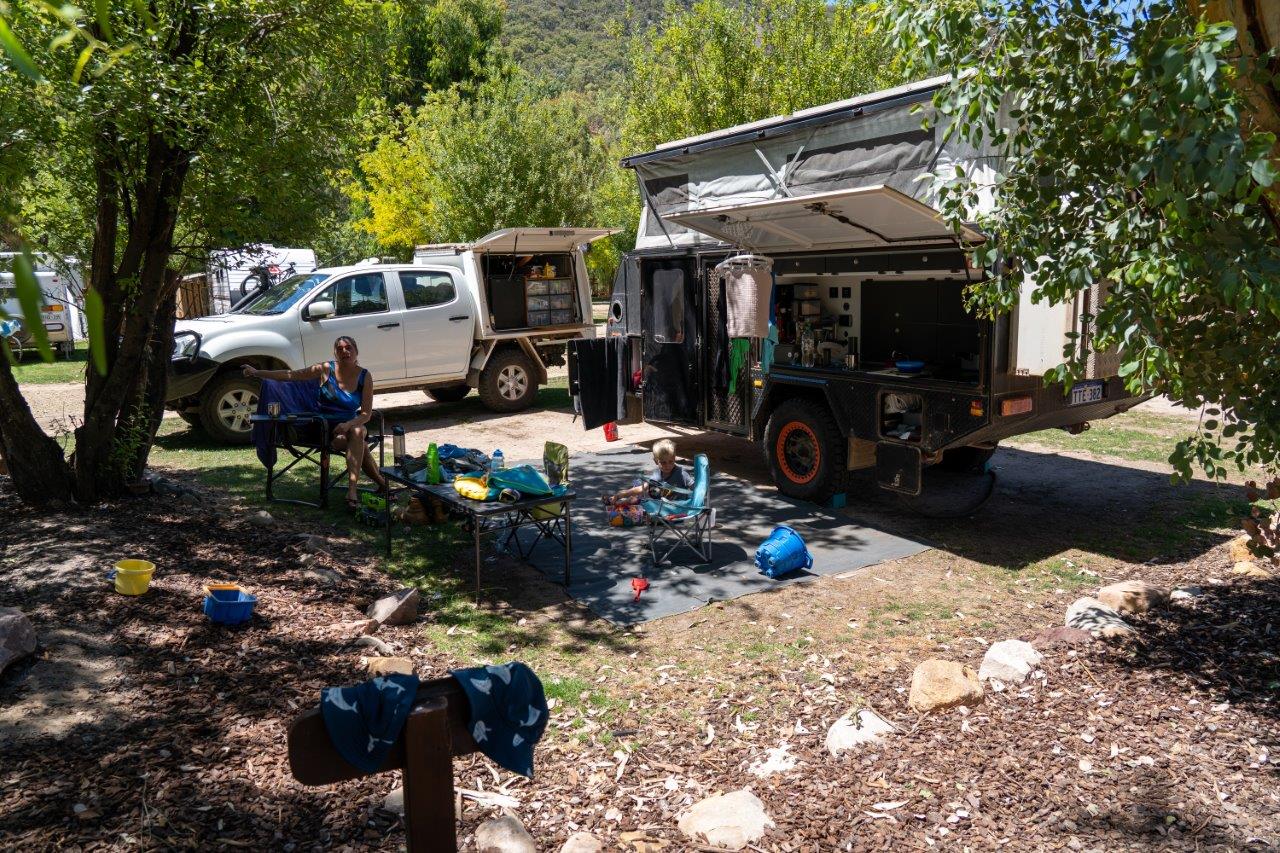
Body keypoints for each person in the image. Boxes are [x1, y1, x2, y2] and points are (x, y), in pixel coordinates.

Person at [243, 336, 388, 508]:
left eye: (348, 347)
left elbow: (365, 414)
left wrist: (348, 424)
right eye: (340, 349)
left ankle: (352, 489)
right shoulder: (326, 369)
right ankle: (382, 483)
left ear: (356, 351)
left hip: (351, 425)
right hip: (322, 427)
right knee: (359, 444)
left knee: (356, 432)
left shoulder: (365, 376)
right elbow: (291, 375)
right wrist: (257, 372)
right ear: (335, 353)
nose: (345, 351)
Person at [604, 439, 694, 505]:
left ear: (674, 459)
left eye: (671, 461)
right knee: (636, 495)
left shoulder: (681, 474)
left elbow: (696, 488)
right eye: (663, 462)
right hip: (659, 504)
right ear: (656, 461)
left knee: (637, 499)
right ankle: (615, 500)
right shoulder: (657, 474)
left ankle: (617, 503)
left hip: (677, 508)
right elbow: (641, 489)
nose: (667, 465)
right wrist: (619, 495)